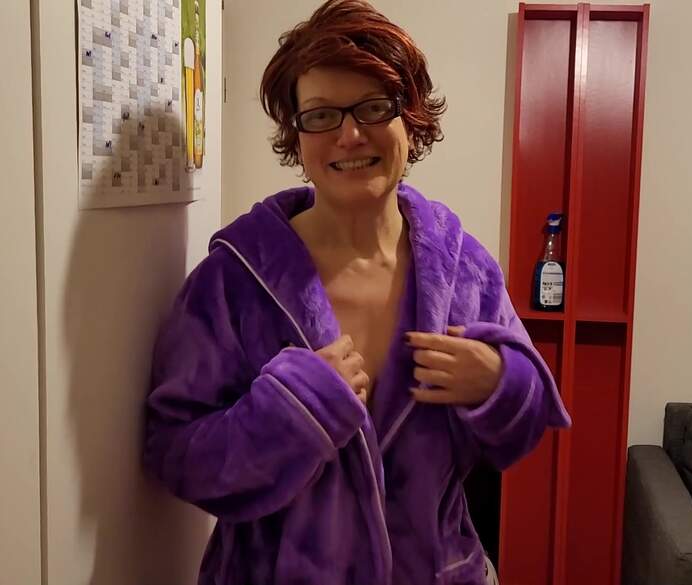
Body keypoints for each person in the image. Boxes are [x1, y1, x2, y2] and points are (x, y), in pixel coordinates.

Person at [143, 1, 570, 584]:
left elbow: (523, 428)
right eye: (321, 115)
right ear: (296, 134)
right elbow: (174, 453)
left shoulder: (464, 268)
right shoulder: (235, 278)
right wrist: (291, 412)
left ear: (410, 118)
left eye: (373, 107)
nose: (349, 135)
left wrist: (500, 381)